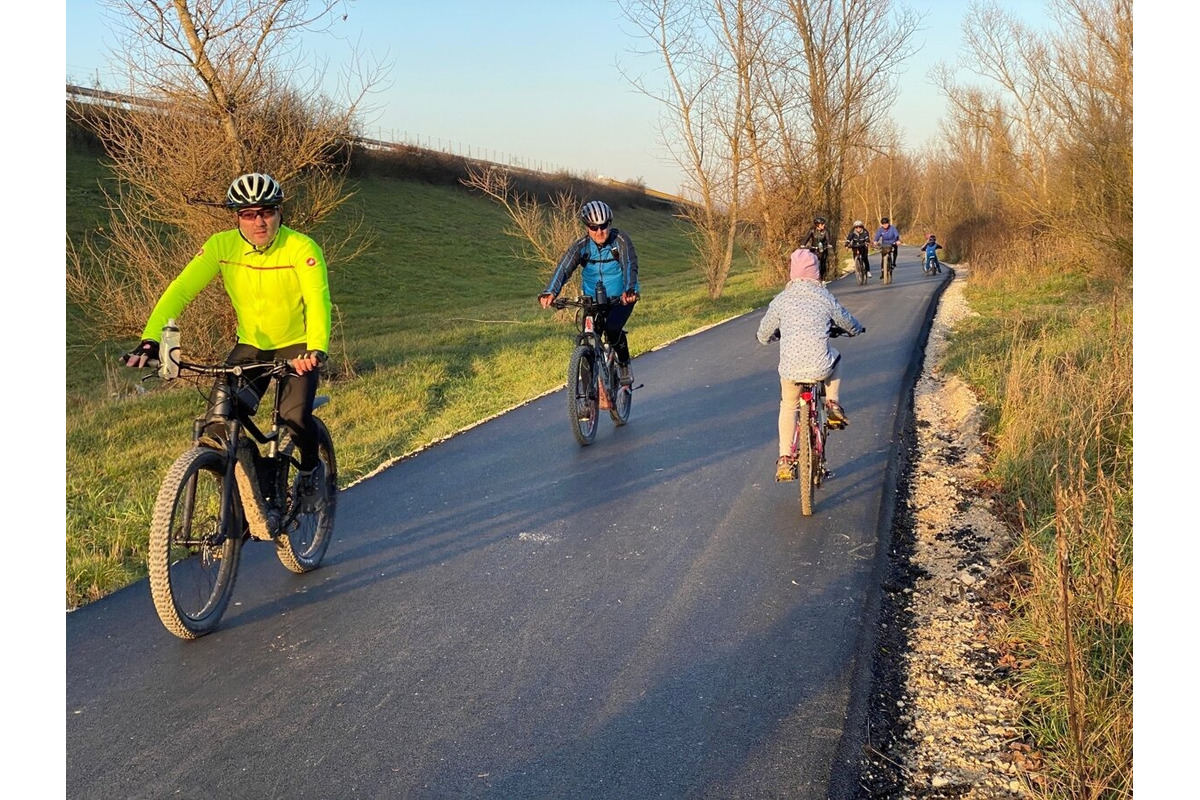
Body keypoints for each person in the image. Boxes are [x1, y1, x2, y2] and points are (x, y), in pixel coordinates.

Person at [122, 172, 333, 502]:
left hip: (297, 347)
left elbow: (318, 300)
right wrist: (151, 340)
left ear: (279, 212)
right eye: (248, 214)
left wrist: (316, 348)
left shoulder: (301, 248)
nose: (258, 222)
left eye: (266, 212)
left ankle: (309, 472)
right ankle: (252, 491)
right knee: (219, 423)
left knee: (294, 417)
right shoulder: (221, 246)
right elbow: (181, 289)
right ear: (237, 217)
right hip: (250, 347)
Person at [757, 248, 864, 482]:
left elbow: (763, 334)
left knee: (788, 405)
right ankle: (833, 402)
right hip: (820, 366)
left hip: (791, 369)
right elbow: (846, 321)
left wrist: (770, 337)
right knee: (836, 356)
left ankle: (785, 459)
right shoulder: (824, 296)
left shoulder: (781, 300)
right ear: (817, 272)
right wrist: (856, 329)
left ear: (792, 273)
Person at [539, 200, 640, 385]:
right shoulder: (582, 246)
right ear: (587, 227)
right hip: (592, 300)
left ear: (609, 224)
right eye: (594, 227)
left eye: (603, 226)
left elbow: (629, 264)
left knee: (612, 329)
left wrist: (630, 289)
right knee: (588, 341)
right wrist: (550, 291)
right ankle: (587, 395)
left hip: (621, 298)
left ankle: (624, 363)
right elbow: (564, 267)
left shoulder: (620, 241)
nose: (599, 231)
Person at [801, 215, 833, 282]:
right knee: (812, 262)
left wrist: (828, 244)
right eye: (822, 224)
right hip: (814, 249)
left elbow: (828, 239)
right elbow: (807, 238)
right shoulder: (812, 231)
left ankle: (822, 278)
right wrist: (803, 245)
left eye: (824, 224)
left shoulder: (826, 231)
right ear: (817, 225)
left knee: (823, 264)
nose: (823, 225)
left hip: (823, 249)